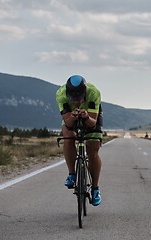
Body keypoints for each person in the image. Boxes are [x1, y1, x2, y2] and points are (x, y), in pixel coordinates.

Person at [56, 75, 103, 206]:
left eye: (79, 98)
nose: (76, 102)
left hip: (91, 116)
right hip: (71, 116)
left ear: (85, 94)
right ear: (67, 94)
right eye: (72, 99)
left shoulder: (94, 93)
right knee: (68, 136)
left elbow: (93, 124)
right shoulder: (60, 94)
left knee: (92, 150)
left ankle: (95, 189)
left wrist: (86, 116)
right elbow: (68, 124)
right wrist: (72, 116)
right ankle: (72, 173)